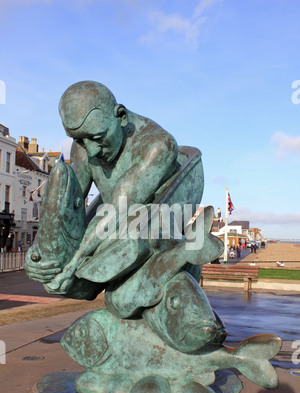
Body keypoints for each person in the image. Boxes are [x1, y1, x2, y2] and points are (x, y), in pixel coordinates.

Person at [25, 81, 203, 296]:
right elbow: (66, 208)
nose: (90, 151)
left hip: (152, 225)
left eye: (97, 138)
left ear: (121, 116)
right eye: (79, 140)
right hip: (117, 228)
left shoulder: (158, 146)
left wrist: (74, 264)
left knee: (128, 290)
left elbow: (117, 209)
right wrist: (38, 253)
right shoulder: (85, 144)